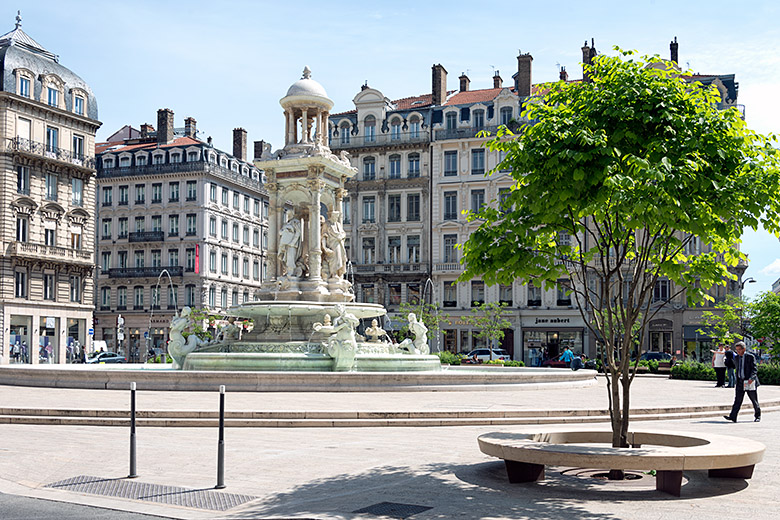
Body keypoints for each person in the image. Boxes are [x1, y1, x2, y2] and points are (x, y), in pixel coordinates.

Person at [724, 341, 761, 423]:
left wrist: (752, 378)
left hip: (749, 381)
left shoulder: (750, 357)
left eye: (739, 350)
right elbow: (737, 369)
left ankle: (757, 415)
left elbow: (754, 369)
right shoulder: (736, 358)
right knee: (737, 400)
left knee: (754, 399)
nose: (737, 352)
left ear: (744, 349)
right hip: (740, 382)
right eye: (736, 350)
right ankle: (733, 416)